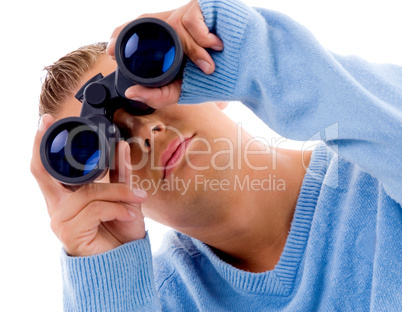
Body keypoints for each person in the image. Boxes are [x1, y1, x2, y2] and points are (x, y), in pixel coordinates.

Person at [31, 0, 402, 310]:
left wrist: (250, 52)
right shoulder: (157, 300)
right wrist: (110, 281)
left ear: (209, 86)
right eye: (108, 144)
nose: (146, 134)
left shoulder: (375, 162)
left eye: (146, 97)